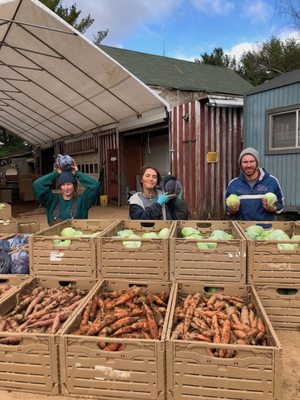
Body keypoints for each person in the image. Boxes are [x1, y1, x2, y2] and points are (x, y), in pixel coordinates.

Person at [33, 159, 100, 225]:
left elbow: (95, 185)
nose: (66, 188)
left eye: (69, 184)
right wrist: (55, 173)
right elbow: (38, 185)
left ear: (74, 186)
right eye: (63, 185)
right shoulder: (51, 201)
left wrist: (77, 173)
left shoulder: (82, 201)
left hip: (77, 235)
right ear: (60, 187)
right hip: (54, 236)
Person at [225, 147, 284, 220]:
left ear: (257, 163)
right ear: (240, 164)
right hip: (242, 228)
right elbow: (228, 210)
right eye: (245, 162)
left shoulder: (271, 181)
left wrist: (272, 208)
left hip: (266, 229)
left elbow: (280, 206)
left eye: (252, 161)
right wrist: (232, 211)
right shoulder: (234, 184)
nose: (248, 165)